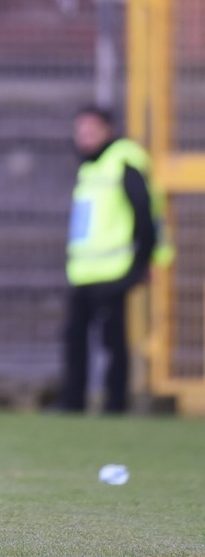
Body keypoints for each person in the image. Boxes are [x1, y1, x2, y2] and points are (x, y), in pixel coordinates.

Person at [61, 105, 170, 414]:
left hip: (114, 269)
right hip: (83, 270)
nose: (84, 137)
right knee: (74, 339)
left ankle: (115, 404)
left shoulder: (123, 160)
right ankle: (72, 402)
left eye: (91, 130)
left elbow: (145, 214)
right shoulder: (89, 168)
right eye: (80, 131)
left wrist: (142, 262)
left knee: (112, 342)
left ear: (108, 130)